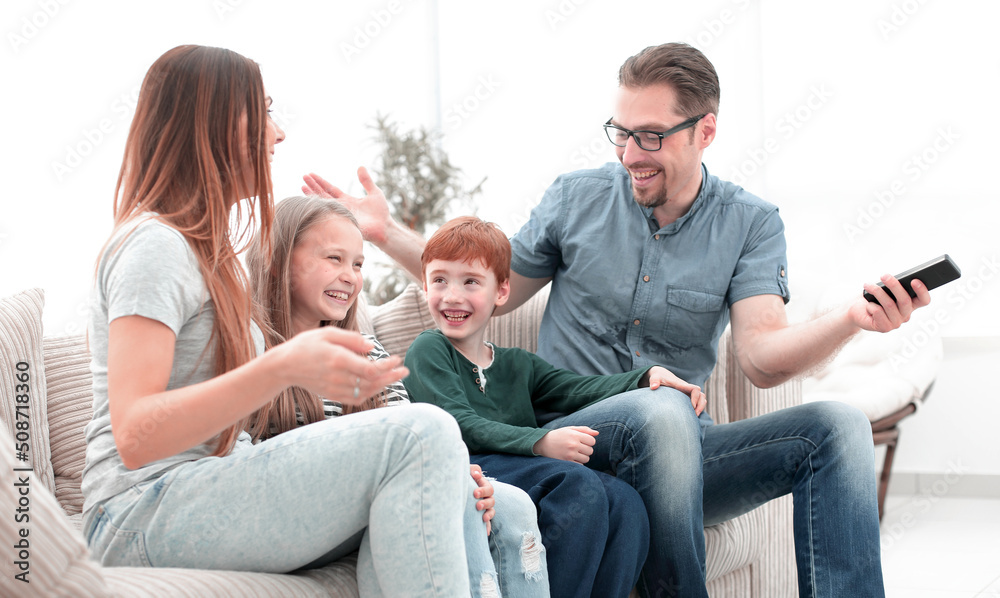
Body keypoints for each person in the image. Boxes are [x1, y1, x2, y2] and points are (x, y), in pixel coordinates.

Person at [304, 42, 934, 597]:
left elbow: (763, 361)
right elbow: (486, 285)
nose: (632, 153)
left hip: (685, 454)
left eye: (652, 136)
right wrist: (387, 235)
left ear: (705, 130)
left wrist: (853, 318)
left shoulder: (751, 224)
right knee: (658, 402)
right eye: (621, 132)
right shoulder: (576, 198)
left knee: (839, 425)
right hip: (573, 442)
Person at [81, 45, 473, 597]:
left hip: (207, 486)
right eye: (263, 111)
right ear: (212, 122)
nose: (279, 132)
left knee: (485, 493)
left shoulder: (211, 255)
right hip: (142, 509)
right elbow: (135, 435)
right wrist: (283, 366)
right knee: (423, 431)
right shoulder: (155, 245)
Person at [244, 196, 550, 597]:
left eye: (357, 264)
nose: (350, 276)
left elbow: (414, 440)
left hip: (379, 499)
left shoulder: (366, 350)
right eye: (334, 259)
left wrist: (460, 475)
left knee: (509, 504)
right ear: (279, 258)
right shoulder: (252, 348)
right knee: (453, 500)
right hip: (307, 510)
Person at [403, 216, 656, 598]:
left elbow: (577, 390)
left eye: (470, 281)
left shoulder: (517, 364)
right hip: (468, 467)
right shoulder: (429, 349)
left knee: (627, 502)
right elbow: (459, 422)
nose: (452, 295)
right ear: (425, 285)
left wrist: (646, 376)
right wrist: (542, 441)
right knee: (576, 483)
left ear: (501, 291)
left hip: (520, 469)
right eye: (440, 280)